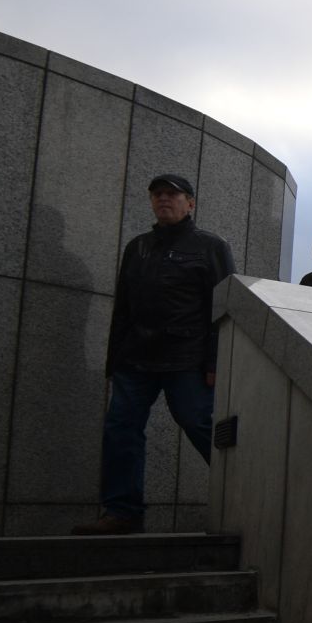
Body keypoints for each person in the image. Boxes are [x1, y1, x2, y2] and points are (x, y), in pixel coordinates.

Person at [73, 174, 235, 536]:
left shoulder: (211, 247)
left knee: (201, 425)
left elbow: (223, 308)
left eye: (173, 195)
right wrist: (113, 360)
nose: (165, 200)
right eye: (158, 195)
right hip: (135, 358)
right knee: (121, 429)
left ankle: (247, 494)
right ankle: (122, 512)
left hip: (187, 358)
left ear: (190, 203)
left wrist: (215, 362)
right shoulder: (138, 247)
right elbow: (124, 308)